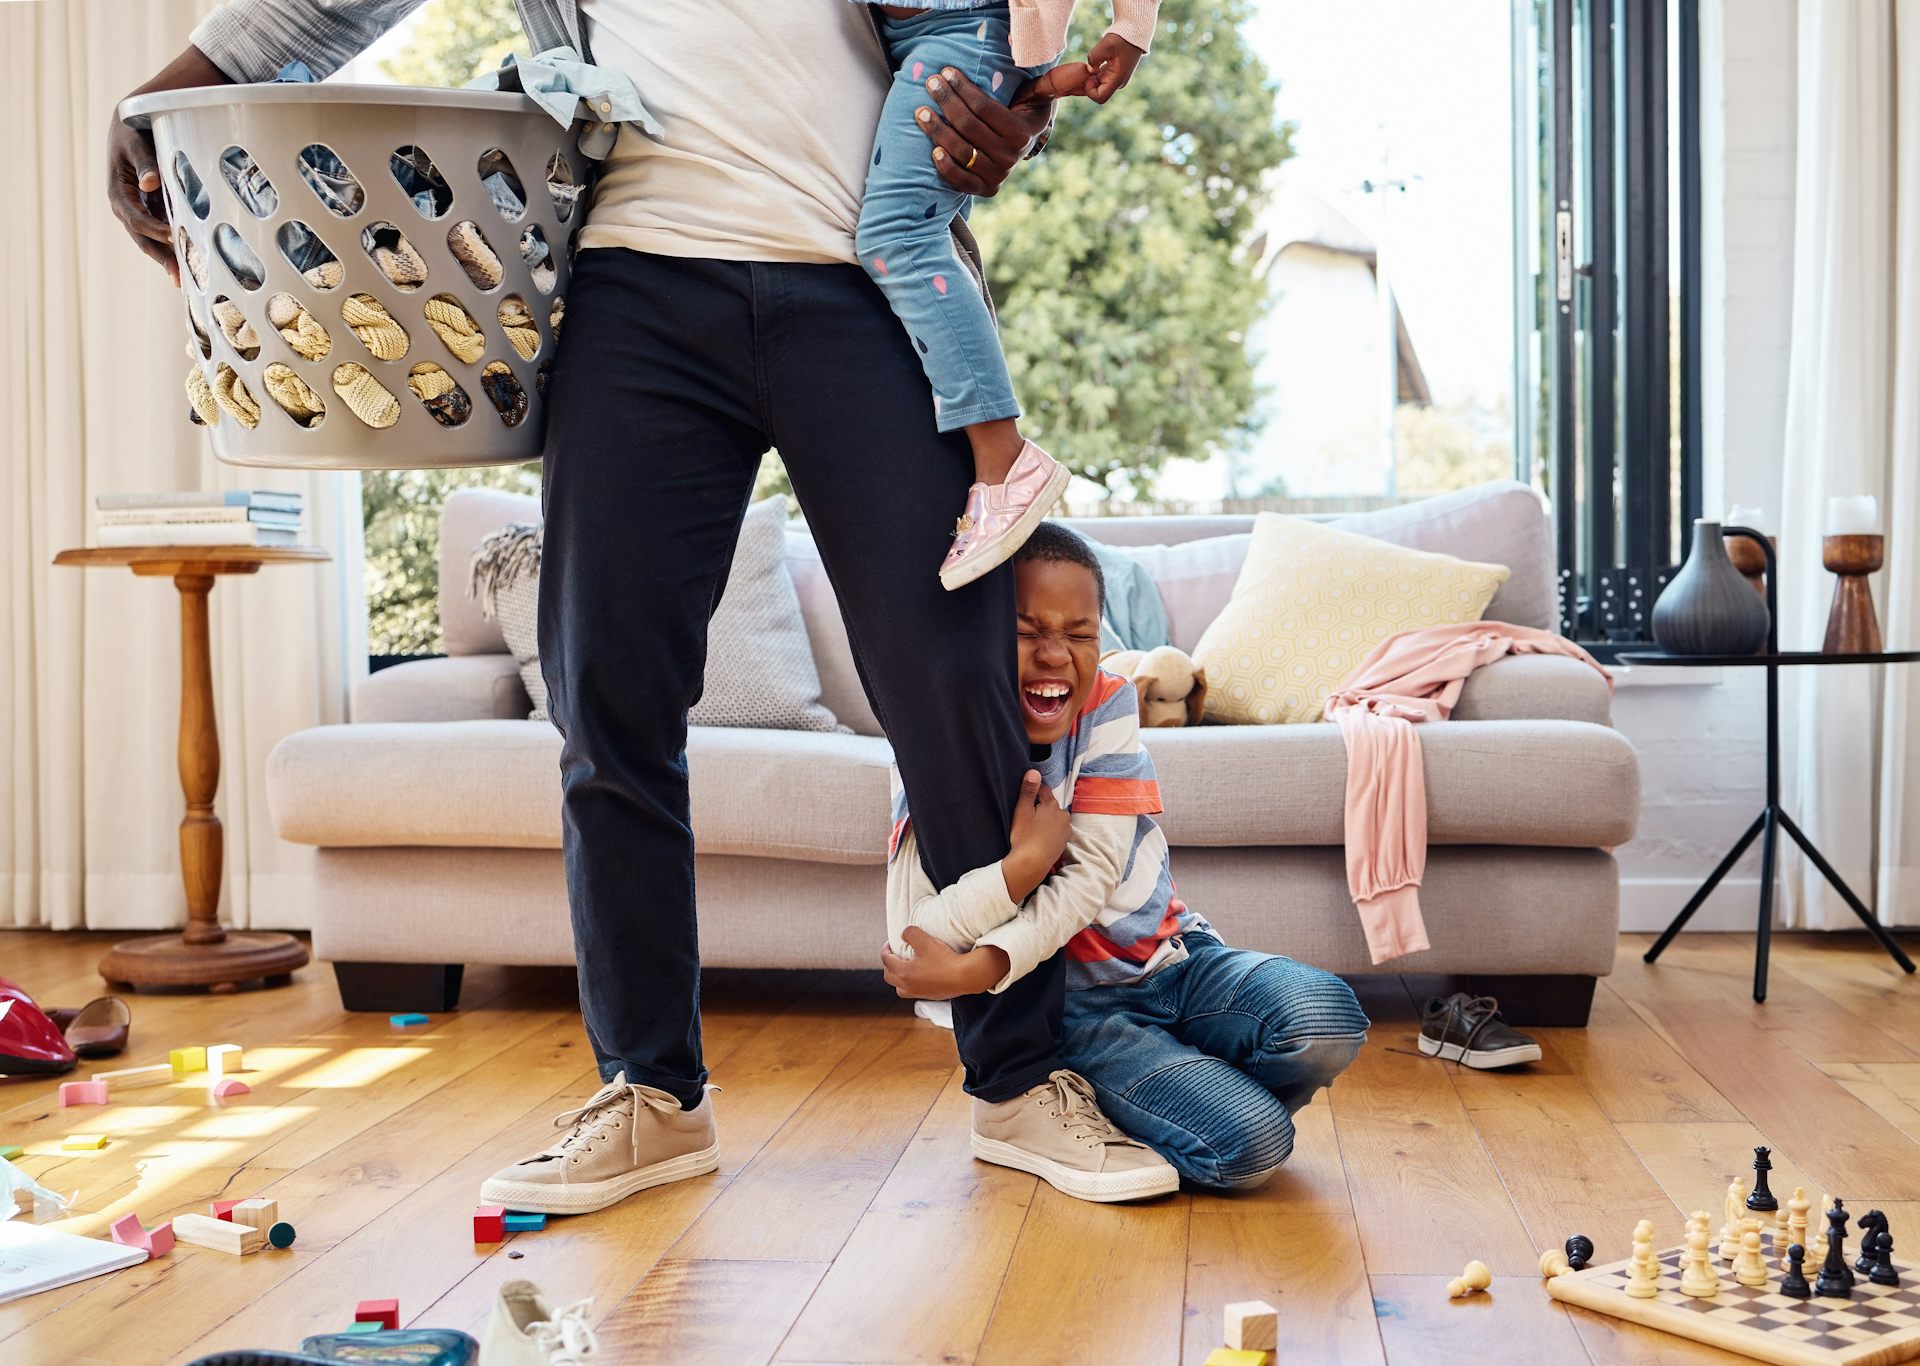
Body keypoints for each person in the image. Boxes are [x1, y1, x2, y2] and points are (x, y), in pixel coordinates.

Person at [109, 1, 1161, 1211]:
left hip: (863, 287)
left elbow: (964, 32)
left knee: (949, 681)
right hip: (635, 293)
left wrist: (1014, 115)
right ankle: (652, 1094)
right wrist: (162, 92)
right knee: (607, 698)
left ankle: (1022, 1079)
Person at [882, 525, 1372, 1188]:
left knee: (1327, 1016)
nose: (1056, 654)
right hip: (1082, 1011)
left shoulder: (1108, 700)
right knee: (1254, 1146)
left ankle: (1175, 1081)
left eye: (1080, 634)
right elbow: (916, 936)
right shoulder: (936, 736)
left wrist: (981, 967)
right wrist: (1022, 865)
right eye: (1027, 630)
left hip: (1177, 960)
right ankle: (1147, 1085)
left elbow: (1090, 881)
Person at [852, 1, 1156, 590]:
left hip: (962, 24)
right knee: (913, 225)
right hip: (907, 34)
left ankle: (1004, 461)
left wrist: (1132, 27)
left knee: (898, 235)